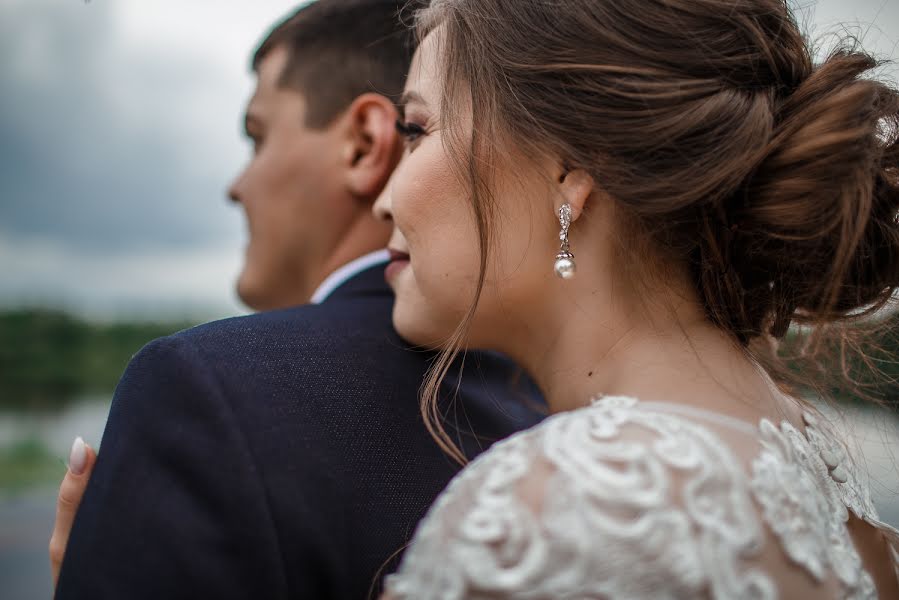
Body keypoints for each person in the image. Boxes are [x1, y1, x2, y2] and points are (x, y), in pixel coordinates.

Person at [374, 0, 899, 597]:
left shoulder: (560, 507)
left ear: (567, 171)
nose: (383, 202)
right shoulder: (824, 482)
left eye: (416, 131)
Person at [50, 1, 541, 598]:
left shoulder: (202, 389)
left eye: (257, 137)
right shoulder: (553, 397)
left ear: (363, 145)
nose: (237, 186)